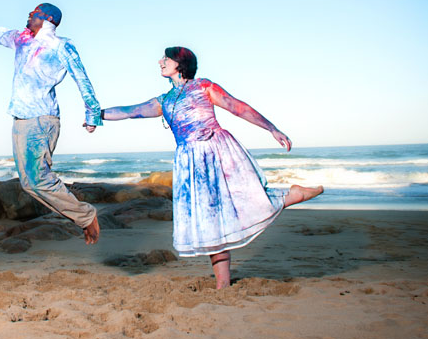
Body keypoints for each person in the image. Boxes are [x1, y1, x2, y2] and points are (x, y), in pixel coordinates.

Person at [99, 47, 322, 288]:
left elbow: (237, 107)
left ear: (180, 63)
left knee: (242, 203)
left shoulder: (203, 86)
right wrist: (97, 114)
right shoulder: (164, 101)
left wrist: (271, 128)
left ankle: (293, 195)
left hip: (216, 151)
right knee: (210, 221)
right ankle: (223, 284)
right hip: (190, 162)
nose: (160, 62)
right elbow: (131, 112)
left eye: (166, 59)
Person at [0, 1, 102, 244]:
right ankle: (82, 217)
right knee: (29, 184)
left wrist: (92, 114)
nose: (28, 13)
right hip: (21, 119)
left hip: (41, 119)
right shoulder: (21, 38)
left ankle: (87, 217)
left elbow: (82, 78)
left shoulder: (61, 45)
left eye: (34, 11)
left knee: (38, 179)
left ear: (46, 19)